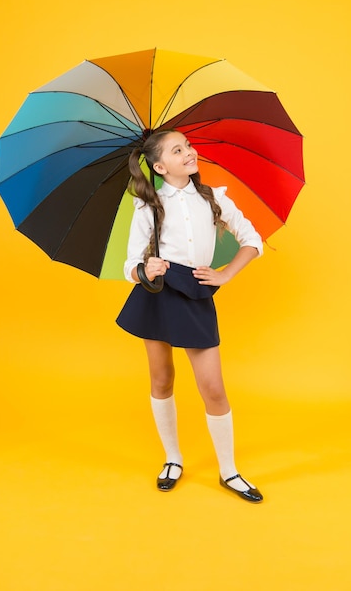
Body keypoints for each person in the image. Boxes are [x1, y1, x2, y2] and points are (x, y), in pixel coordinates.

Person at [116, 129, 263, 503]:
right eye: (178, 150)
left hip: (195, 291)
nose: (189, 152)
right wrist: (145, 269)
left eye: (189, 146)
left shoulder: (213, 198)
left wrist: (227, 273)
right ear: (160, 166)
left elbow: (252, 239)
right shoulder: (148, 206)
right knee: (162, 379)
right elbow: (129, 265)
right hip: (159, 293)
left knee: (212, 387)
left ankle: (228, 470)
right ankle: (173, 458)